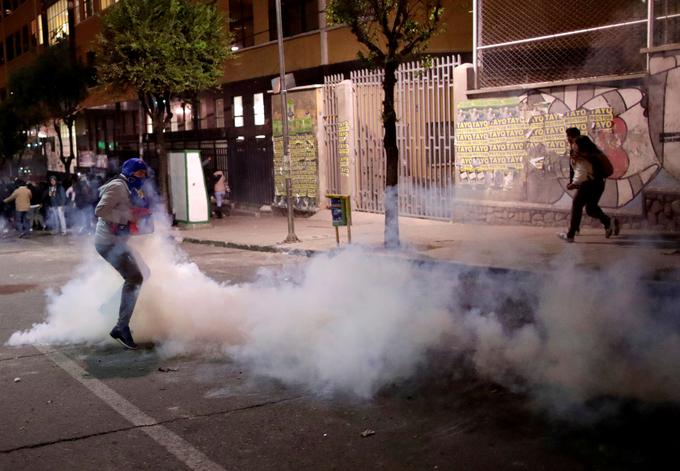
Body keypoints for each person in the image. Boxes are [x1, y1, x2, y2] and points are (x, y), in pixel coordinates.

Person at [94, 158, 151, 349]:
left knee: (144, 273)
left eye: (144, 174)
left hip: (118, 241)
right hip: (107, 243)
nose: (142, 177)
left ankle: (109, 309)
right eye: (139, 173)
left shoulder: (129, 187)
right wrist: (128, 218)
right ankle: (121, 327)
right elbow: (100, 210)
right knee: (135, 278)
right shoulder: (118, 187)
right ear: (129, 172)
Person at [558, 135, 620, 243]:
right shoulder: (594, 153)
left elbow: (583, 173)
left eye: (576, 145)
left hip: (589, 184)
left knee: (577, 204)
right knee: (591, 209)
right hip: (599, 184)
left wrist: (574, 183)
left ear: (582, 146)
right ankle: (609, 222)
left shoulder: (587, 156)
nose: (574, 147)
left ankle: (570, 234)